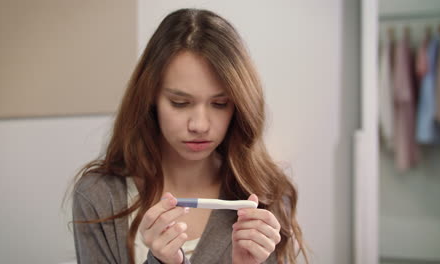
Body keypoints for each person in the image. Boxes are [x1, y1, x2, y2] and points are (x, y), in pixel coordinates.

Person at [70, 8, 309, 264]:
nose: (200, 125)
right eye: (180, 102)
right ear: (150, 97)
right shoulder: (99, 197)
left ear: (238, 106)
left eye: (219, 104)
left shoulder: (267, 194)